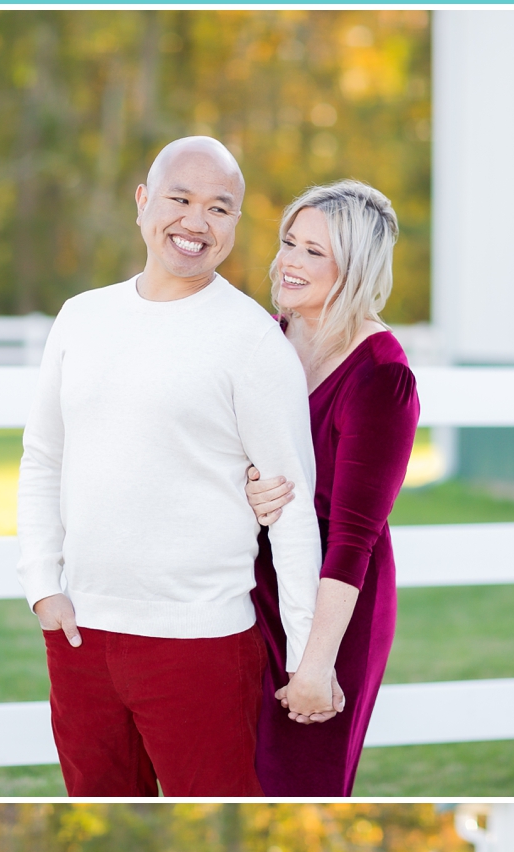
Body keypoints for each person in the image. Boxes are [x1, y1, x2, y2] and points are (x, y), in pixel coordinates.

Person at [17, 135, 328, 798]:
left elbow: (293, 505)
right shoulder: (81, 318)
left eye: (219, 208)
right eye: (180, 199)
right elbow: (44, 455)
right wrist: (43, 586)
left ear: (235, 225)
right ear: (142, 203)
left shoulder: (250, 340)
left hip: (200, 644)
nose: (196, 221)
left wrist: (305, 659)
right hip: (82, 637)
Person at [245, 181, 422, 798]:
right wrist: (245, 483)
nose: (289, 261)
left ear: (357, 266)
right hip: (246, 585)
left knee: (294, 784)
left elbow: (354, 538)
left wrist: (317, 662)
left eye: (314, 252)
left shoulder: (381, 375)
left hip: (333, 602)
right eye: (289, 242)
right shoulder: (264, 341)